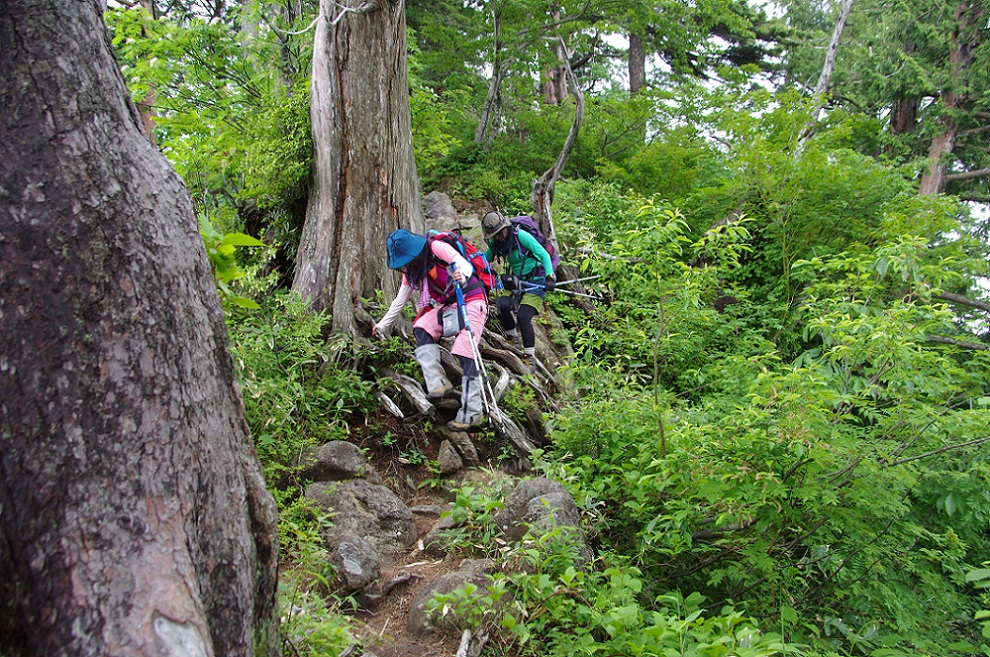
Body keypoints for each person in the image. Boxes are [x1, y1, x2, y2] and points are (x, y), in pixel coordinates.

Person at [373, 228, 490, 432]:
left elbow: (462, 263)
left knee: (465, 351)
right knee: (421, 326)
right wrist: (382, 325)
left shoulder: (436, 247)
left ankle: (473, 412)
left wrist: (460, 274)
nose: (405, 265)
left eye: (406, 259)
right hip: (450, 307)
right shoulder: (412, 270)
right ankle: (438, 382)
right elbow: (400, 300)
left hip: (472, 300)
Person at [481, 211, 556, 372]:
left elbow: (543, 254)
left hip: (535, 281)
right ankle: (511, 338)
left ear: (505, 227)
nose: (499, 236)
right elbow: (484, 261)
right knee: (502, 306)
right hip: (515, 281)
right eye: (495, 234)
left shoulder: (520, 236)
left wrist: (550, 276)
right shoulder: (496, 243)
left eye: (500, 232)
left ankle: (529, 358)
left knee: (523, 317)